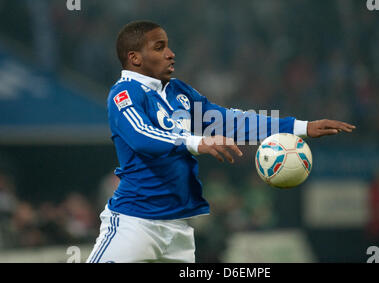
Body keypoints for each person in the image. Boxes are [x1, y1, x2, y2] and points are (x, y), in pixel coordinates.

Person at [86, 20, 355, 263]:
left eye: (167, 46)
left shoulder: (178, 92)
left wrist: (301, 127)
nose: (170, 53)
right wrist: (197, 142)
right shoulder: (124, 93)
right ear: (134, 58)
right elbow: (142, 136)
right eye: (159, 48)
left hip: (178, 228)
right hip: (135, 223)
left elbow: (231, 121)